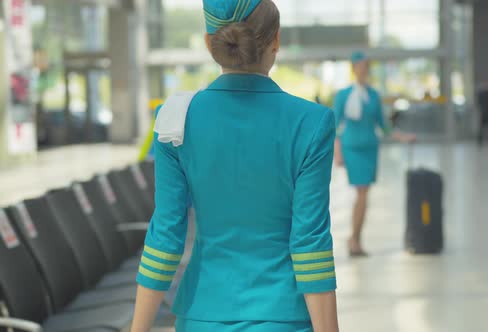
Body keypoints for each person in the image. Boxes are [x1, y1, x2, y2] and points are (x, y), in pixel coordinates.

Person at [130, 1, 339, 331]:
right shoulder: (312, 122)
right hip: (283, 316)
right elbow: (310, 242)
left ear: (208, 43)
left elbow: (166, 237)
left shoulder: (175, 120)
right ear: (276, 41)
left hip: (202, 314)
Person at [333, 52, 415, 257]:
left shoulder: (374, 95)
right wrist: (337, 153)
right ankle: (354, 239)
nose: (363, 70)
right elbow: (335, 127)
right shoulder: (343, 95)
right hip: (352, 148)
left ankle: (355, 239)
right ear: (353, 69)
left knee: (364, 193)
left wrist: (402, 137)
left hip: (370, 148)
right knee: (362, 193)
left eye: (366, 67)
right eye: (360, 67)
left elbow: (383, 126)